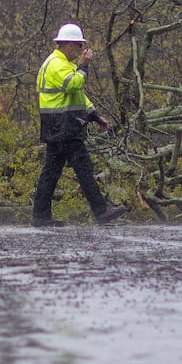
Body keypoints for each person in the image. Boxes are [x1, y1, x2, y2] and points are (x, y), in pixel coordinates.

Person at [32, 23, 128, 228]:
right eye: (77, 46)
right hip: (63, 127)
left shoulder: (60, 64)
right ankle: (101, 211)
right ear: (67, 44)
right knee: (83, 168)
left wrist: (94, 115)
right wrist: (85, 65)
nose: (79, 51)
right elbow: (75, 84)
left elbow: (78, 95)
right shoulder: (57, 64)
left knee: (51, 171)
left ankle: (40, 215)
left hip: (59, 127)